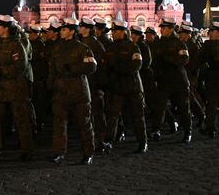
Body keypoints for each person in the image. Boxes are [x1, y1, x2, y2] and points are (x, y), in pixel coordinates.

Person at [48, 17, 97, 165]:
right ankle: (59, 152)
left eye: (64, 29)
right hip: (60, 90)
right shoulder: (57, 48)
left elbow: (91, 67)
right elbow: (52, 68)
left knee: (84, 123)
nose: (61, 32)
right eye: (61, 29)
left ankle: (88, 153)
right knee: (59, 123)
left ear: (71, 32)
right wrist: (50, 84)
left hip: (78, 90)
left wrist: (73, 69)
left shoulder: (83, 48)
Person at [0, 15, 33, 161]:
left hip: (15, 87)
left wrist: (3, 71)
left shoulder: (17, 45)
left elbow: (20, 67)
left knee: (21, 118)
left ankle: (26, 149)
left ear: (6, 28)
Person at [102, 20, 148, 154]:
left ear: (122, 32)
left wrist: (117, 68)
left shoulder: (133, 47)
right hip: (117, 87)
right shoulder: (110, 47)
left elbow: (136, 65)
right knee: (113, 115)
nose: (113, 34)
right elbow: (105, 65)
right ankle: (108, 140)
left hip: (133, 86)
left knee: (137, 116)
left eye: (115, 31)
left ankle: (142, 142)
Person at [151, 18, 192, 144]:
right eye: (161, 28)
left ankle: (187, 132)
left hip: (179, 80)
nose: (161, 30)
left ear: (170, 29)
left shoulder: (179, 43)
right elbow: (154, 62)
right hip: (164, 81)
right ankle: (156, 130)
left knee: (183, 107)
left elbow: (184, 59)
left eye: (163, 28)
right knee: (160, 107)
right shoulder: (158, 43)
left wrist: (169, 59)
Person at [78, 18, 106, 149]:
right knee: (87, 114)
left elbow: (102, 67)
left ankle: (101, 140)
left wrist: (100, 86)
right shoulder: (81, 42)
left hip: (94, 84)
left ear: (87, 29)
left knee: (97, 114)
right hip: (85, 84)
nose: (79, 28)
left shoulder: (95, 44)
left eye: (82, 26)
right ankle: (90, 141)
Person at [200, 22, 219, 138]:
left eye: (212, 31)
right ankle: (210, 127)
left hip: (213, 78)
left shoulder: (208, 45)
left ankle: (210, 129)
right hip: (213, 78)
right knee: (211, 105)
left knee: (211, 104)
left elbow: (198, 60)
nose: (210, 33)